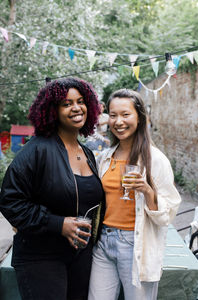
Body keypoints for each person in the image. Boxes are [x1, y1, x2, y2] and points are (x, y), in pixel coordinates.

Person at [0, 77, 105, 300]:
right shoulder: (36, 150)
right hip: (41, 256)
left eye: (81, 101)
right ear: (52, 111)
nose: (76, 108)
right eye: (67, 104)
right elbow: (10, 200)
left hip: (80, 256)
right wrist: (58, 224)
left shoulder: (86, 153)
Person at [88, 89, 181, 300]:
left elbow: (169, 211)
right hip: (103, 241)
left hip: (135, 243)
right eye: (113, 115)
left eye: (125, 114)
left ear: (139, 117)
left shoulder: (156, 160)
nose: (118, 121)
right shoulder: (104, 158)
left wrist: (147, 190)